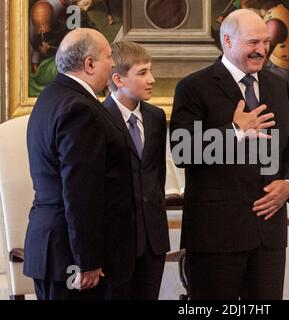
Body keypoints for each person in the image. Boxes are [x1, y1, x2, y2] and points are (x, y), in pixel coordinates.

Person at [169, 9, 289, 300]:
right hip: (216, 237)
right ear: (227, 41)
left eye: (265, 42)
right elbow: (183, 151)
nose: (262, 50)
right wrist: (235, 130)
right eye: (253, 42)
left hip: (268, 234)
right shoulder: (194, 87)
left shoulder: (277, 85)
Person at [24, 28, 136, 300]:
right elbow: (80, 190)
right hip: (72, 257)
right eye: (109, 56)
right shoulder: (80, 108)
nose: (112, 64)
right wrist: (87, 260)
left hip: (56, 247)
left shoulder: (51, 96)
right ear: (89, 64)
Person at [103, 41, 170, 299]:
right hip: (116, 242)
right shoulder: (98, 117)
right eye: (142, 73)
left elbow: (156, 177)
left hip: (154, 240)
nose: (151, 79)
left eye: (150, 71)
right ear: (118, 78)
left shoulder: (156, 117)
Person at [242, 0, 289, 96]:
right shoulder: (278, 11)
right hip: (277, 65)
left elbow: (262, 57)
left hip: (283, 71)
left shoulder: (275, 20)